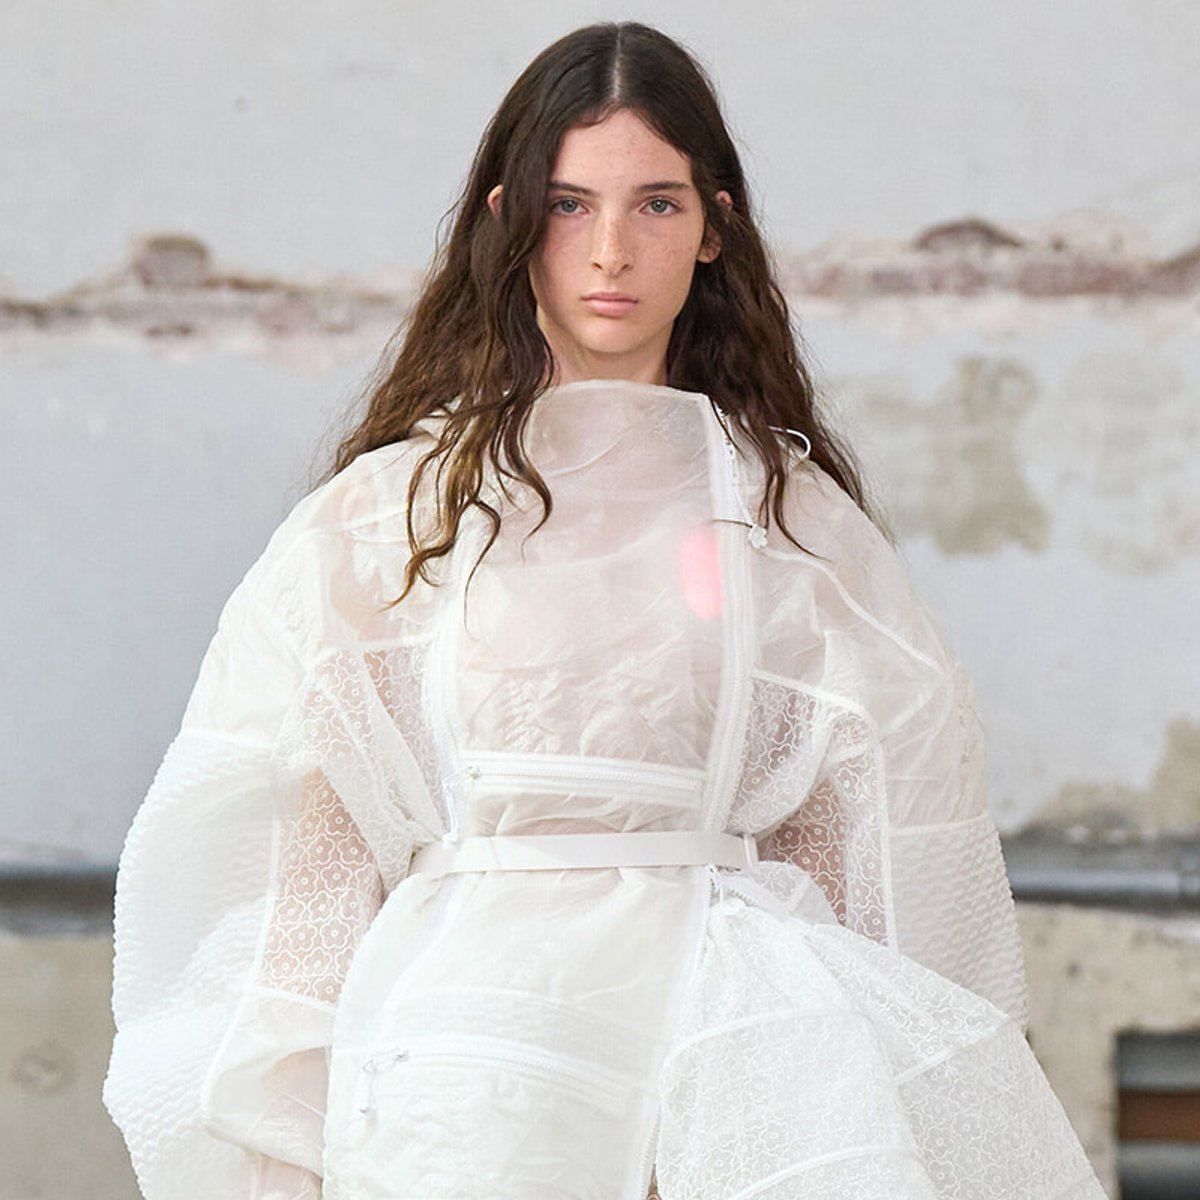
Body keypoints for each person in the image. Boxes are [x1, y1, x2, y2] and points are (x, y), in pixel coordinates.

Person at [103, 21, 1108, 1200]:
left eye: (658, 206)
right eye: (569, 205)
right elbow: (291, 863)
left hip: (730, 1063)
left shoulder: (792, 525)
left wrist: (833, 1090)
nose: (611, 252)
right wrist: (290, 1160)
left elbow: (882, 850)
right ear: (505, 220)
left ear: (716, 227)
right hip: (466, 1077)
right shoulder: (386, 518)